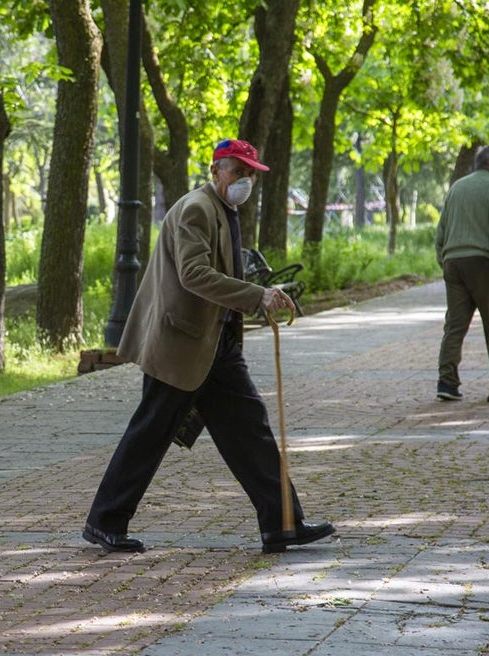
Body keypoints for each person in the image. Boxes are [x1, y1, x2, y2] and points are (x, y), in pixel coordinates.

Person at [82, 138, 335, 555]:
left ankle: (282, 522)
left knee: (251, 431)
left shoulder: (223, 209)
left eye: (251, 173)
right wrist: (257, 296)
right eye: (238, 171)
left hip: (215, 345)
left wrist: (253, 298)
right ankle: (104, 522)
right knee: (150, 432)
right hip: (181, 343)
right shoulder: (197, 208)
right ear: (216, 170)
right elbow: (193, 274)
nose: (245, 180)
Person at [435, 144, 489, 401]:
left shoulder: (457, 188)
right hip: (485, 264)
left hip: (454, 262)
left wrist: (444, 260)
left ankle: (447, 382)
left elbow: (441, 231)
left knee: (454, 325)